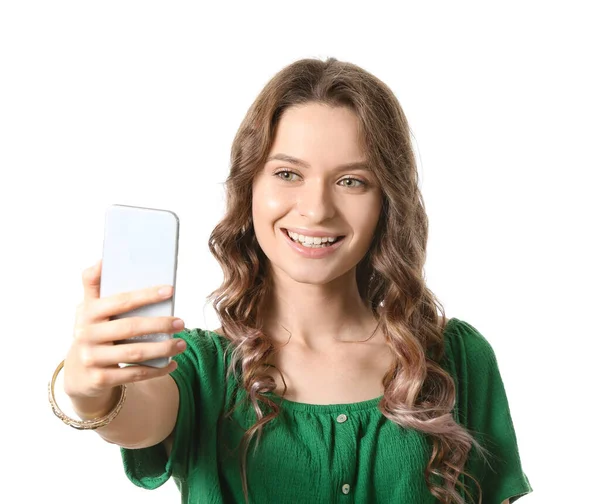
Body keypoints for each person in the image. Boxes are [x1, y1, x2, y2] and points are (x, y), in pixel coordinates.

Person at [50, 57, 532, 503]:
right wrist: (90, 388)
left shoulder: (459, 360)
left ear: (387, 201)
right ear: (250, 188)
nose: (317, 208)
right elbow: (136, 420)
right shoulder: (201, 369)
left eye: (352, 181)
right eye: (287, 173)